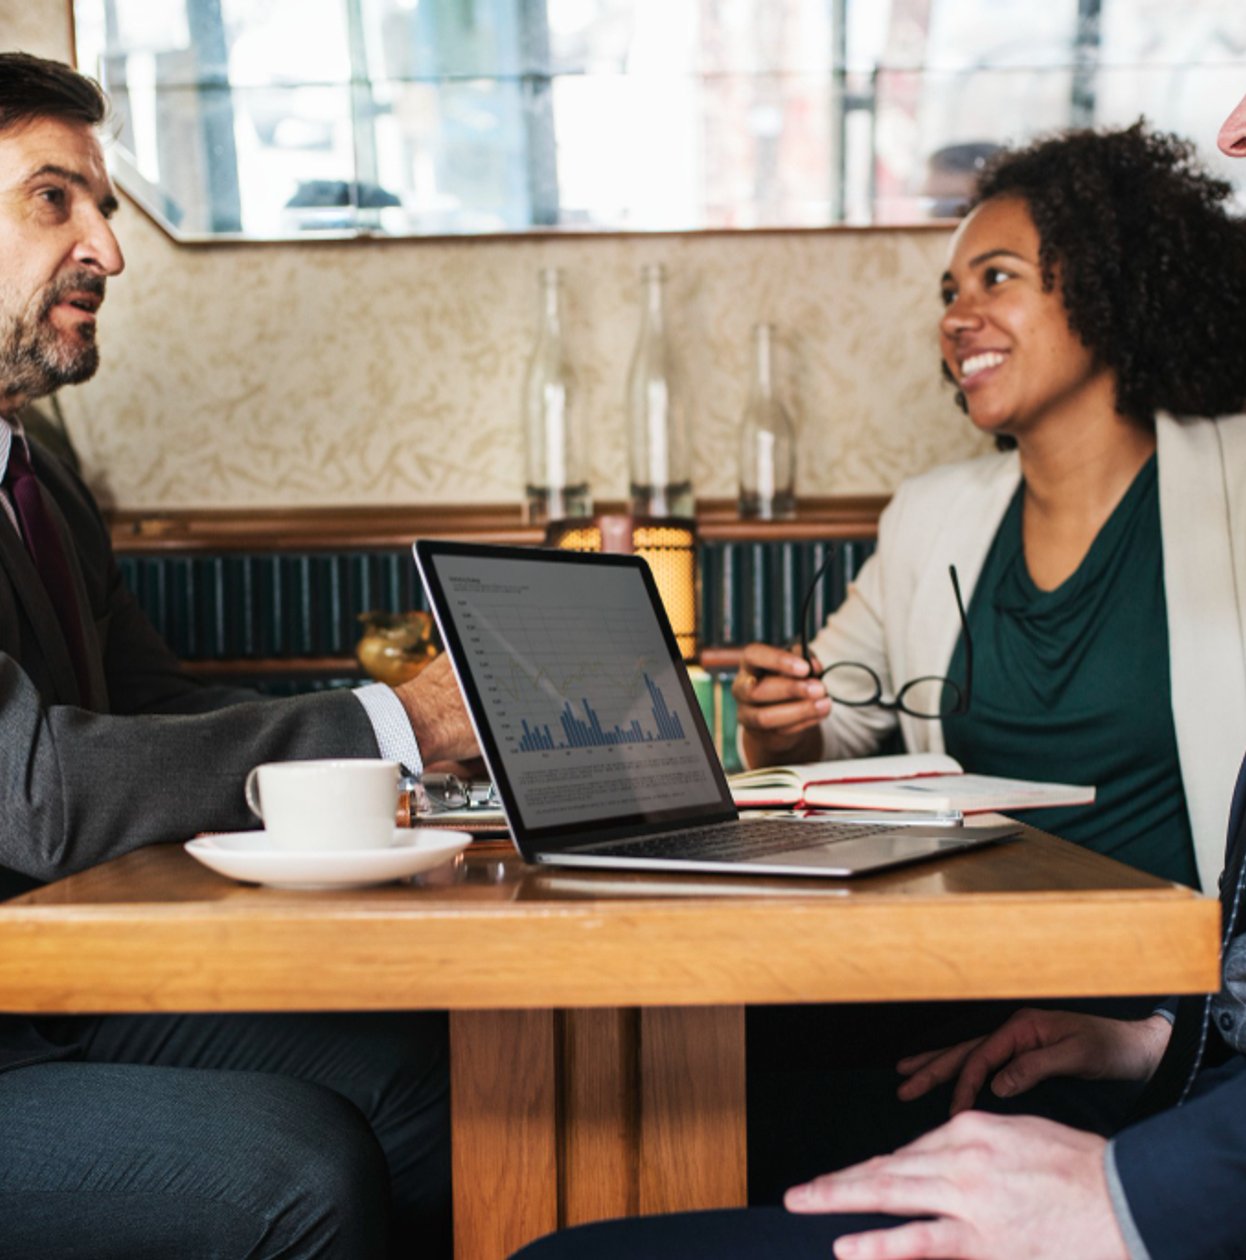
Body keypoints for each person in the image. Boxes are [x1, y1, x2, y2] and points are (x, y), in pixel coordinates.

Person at [510, 91, 1246, 1260]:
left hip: (1168, 1020)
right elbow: (828, 724)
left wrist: (1168, 1028)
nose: (957, 317)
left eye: (995, 278)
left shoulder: (1234, 482)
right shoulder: (934, 518)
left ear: (1105, 286)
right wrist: (782, 724)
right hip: (971, 992)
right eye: (946, 294)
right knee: (713, 1094)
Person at [0, 53, 479, 1259]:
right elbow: (38, 795)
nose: (109, 248)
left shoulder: (38, 476)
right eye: (56, 200)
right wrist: (398, 723)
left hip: (46, 997)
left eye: (101, 207)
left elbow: (153, 712)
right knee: (296, 1176)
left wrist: (428, 776)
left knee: (449, 1087)